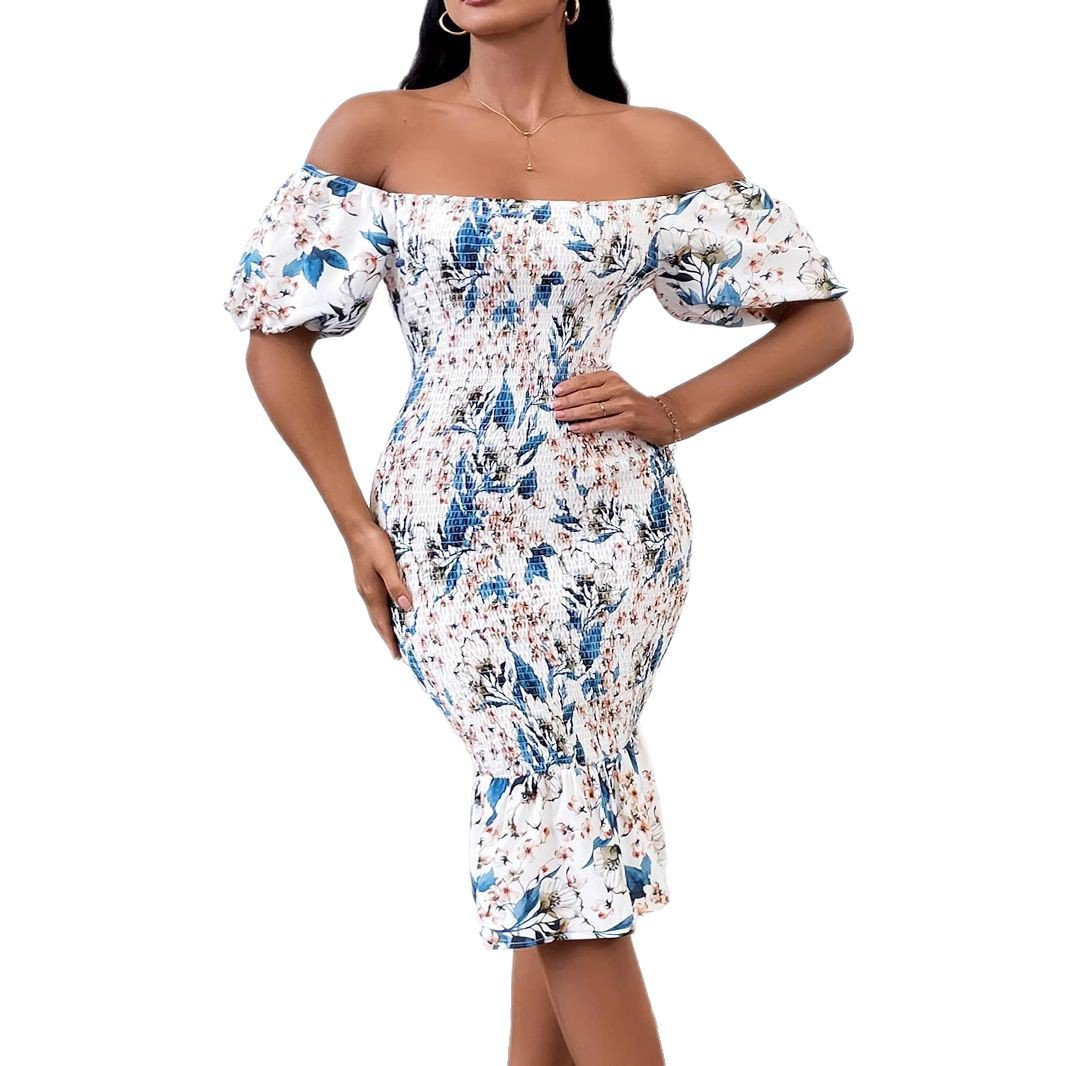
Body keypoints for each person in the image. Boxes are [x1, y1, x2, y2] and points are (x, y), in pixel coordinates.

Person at [222, 1, 853, 1061]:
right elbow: (272, 338)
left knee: (563, 807)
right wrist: (353, 524)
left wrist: (673, 411)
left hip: (617, 528)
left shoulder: (659, 142)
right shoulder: (375, 128)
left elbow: (821, 321)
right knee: (543, 787)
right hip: (447, 523)